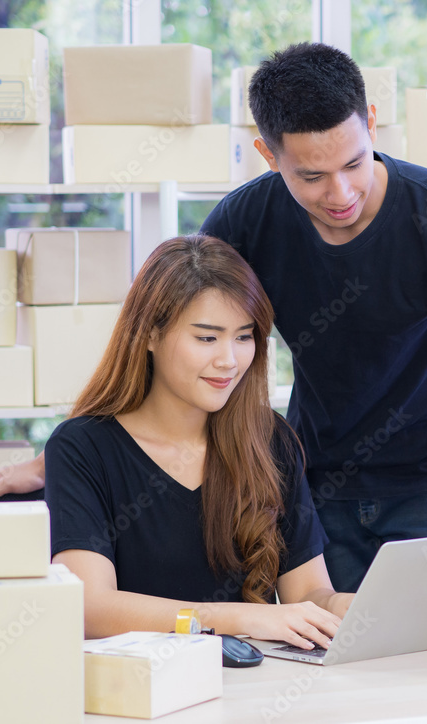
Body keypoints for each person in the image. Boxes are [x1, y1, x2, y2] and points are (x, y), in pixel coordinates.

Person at [0, 42, 427, 594]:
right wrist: (58, 460)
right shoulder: (245, 220)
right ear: (268, 153)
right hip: (308, 477)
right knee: (333, 652)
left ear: (371, 124)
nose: (341, 192)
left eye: (353, 163)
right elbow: (165, 337)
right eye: (311, 176)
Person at [44, 235, 352, 647]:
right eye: (207, 338)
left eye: (244, 337)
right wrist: (236, 619)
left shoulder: (270, 439)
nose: (229, 359)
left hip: (253, 688)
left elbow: (307, 592)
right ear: (150, 334)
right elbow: (91, 609)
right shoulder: (82, 448)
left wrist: (335, 607)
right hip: (141, 696)